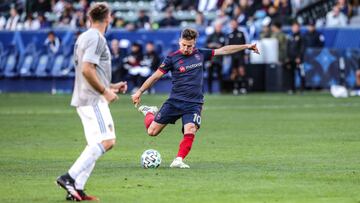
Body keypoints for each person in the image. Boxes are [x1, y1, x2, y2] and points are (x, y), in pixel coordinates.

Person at [131, 28, 259, 169]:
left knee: (190, 129)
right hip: (175, 101)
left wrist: (246, 46)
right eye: (184, 45)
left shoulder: (200, 54)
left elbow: (224, 50)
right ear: (180, 42)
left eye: (189, 46)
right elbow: (155, 76)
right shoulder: (171, 58)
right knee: (152, 132)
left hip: (194, 103)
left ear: (195, 43)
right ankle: (149, 112)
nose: (186, 49)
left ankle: (178, 159)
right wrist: (140, 91)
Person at [56, 2, 128, 201]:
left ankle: (77, 190)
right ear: (108, 18)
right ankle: (68, 177)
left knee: (94, 146)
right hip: (93, 99)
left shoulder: (83, 37)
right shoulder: (96, 38)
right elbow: (87, 69)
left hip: (84, 97)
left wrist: (112, 86)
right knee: (108, 141)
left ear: (89, 18)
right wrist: (105, 91)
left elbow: (90, 71)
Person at [226, 19, 247, 95]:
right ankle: (235, 87)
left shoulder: (241, 34)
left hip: (240, 55)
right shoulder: (229, 35)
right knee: (234, 72)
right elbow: (228, 46)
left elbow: (244, 45)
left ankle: (243, 87)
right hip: (233, 55)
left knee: (241, 71)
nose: (233, 25)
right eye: (232, 24)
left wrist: (245, 55)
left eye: (235, 24)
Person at [205, 21, 226, 94]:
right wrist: (214, 45)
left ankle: (221, 90)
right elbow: (206, 45)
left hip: (220, 58)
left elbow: (225, 46)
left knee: (220, 74)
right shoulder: (211, 36)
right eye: (218, 26)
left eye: (220, 27)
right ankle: (210, 90)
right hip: (211, 58)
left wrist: (216, 46)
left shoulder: (223, 35)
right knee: (210, 74)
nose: (219, 28)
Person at [286, 21, 305, 93]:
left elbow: (302, 48)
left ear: (299, 28)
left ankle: (302, 89)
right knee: (291, 74)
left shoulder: (301, 37)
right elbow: (287, 47)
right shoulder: (290, 36)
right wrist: (287, 57)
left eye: (296, 27)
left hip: (298, 58)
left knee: (301, 73)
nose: (294, 28)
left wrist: (299, 57)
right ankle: (292, 88)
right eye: (293, 27)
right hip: (291, 58)